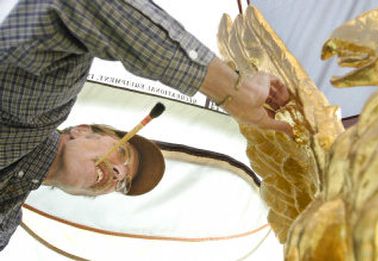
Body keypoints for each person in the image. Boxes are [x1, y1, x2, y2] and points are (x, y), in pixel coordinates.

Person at [0, 0, 291, 250]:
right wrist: (232, 90)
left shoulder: (7, 219)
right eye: (123, 153)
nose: (118, 174)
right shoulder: (34, 113)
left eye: (123, 185)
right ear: (82, 130)